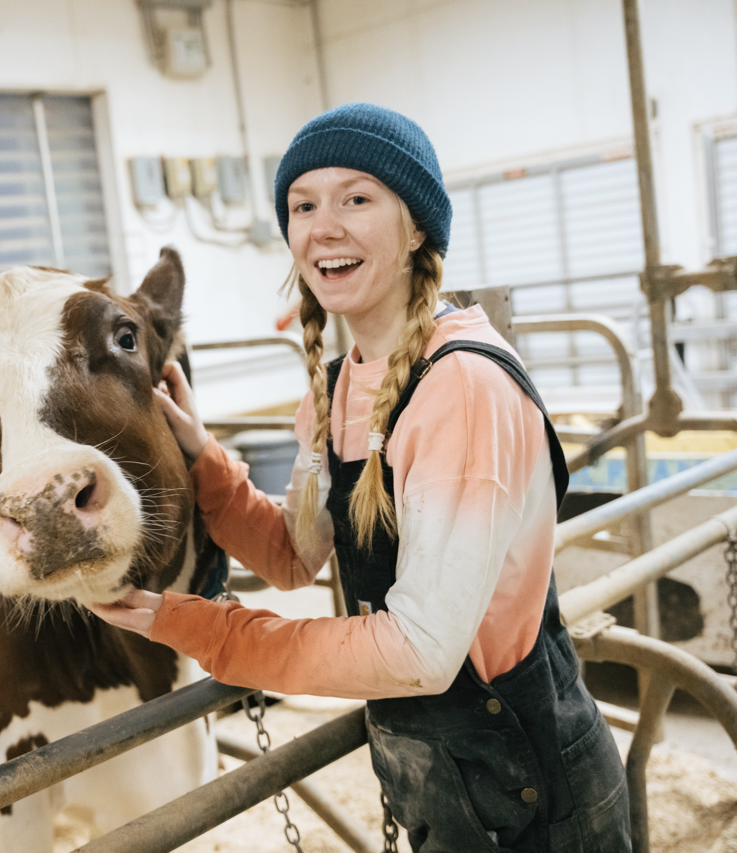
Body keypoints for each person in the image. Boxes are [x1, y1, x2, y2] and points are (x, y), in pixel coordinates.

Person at [90, 103, 630, 852]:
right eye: (303, 205)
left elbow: (419, 651)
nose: (324, 226)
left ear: (417, 229)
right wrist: (204, 458)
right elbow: (292, 556)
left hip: (531, 795)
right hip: (448, 786)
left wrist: (210, 630)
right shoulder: (337, 385)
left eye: (357, 198)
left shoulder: (460, 387)